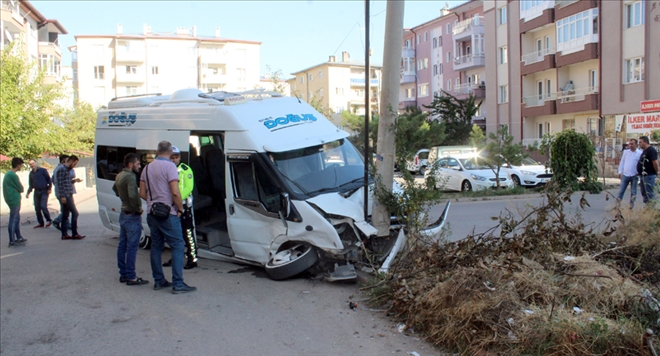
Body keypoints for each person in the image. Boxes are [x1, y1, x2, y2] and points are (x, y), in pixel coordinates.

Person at [139, 141, 196, 294]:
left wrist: (153, 202)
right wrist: (179, 208)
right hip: (168, 213)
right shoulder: (170, 167)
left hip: (152, 212)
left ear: (157, 152)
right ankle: (178, 283)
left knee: (156, 246)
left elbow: (142, 193)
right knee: (177, 245)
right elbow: (176, 192)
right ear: (171, 152)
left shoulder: (147, 167)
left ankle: (159, 281)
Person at [113, 153, 149, 286]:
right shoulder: (130, 176)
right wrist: (138, 208)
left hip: (123, 213)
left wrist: (123, 198)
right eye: (138, 164)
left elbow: (115, 189)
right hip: (132, 215)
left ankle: (123, 274)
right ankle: (132, 276)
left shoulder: (120, 175)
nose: (139, 166)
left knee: (122, 245)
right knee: (132, 247)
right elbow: (134, 195)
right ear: (130, 164)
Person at [163, 146, 198, 269]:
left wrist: (176, 199)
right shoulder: (166, 169)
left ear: (180, 157)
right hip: (170, 205)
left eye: (176, 157)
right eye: (172, 157)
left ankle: (192, 258)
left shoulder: (185, 169)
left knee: (187, 232)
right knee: (173, 234)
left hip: (183, 205)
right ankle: (176, 257)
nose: (174, 160)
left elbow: (189, 188)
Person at [55, 155, 85, 240]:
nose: (74, 166)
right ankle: (74, 233)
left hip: (68, 193)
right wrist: (62, 196)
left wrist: (75, 180)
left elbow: (66, 182)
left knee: (65, 214)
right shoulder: (62, 170)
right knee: (75, 213)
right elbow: (60, 184)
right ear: (71, 161)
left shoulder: (67, 170)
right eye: (74, 164)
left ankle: (64, 234)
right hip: (66, 195)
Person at [3, 158, 27, 247]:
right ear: (18, 165)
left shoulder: (8, 174)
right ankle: (12, 240)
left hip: (11, 199)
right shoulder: (12, 175)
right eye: (21, 165)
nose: (21, 167)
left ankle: (19, 237)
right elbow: (20, 188)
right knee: (13, 219)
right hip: (14, 199)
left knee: (16, 218)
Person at [26, 159, 53, 228]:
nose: (32, 165)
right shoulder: (31, 173)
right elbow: (31, 184)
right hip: (36, 191)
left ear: (35, 163)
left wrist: (49, 188)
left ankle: (49, 220)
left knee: (43, 206)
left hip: (44, 191)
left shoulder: (42, 170)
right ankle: (41, 222)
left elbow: (49, 179)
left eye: (33, 163)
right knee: (37, 208)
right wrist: (28, 193)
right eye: (30, 164)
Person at [616, 139, 643, 208]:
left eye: (632, 144)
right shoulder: (626, 152)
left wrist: (639, 172)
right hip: (626, 174)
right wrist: (620, 171)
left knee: (633, 192)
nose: (630, 145)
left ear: (636, 145)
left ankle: (631, 206)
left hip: (634, 175)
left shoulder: (640, 153)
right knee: (621, 191)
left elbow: (641, 164)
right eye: (629, 144)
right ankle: (617, 205)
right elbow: (622, 162)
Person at [637, 136, 659, 205]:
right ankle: (647, 208)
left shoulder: (651, 150)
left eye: (640, 142)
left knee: (649, 193)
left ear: (645, 142)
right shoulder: (644, 151)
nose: (639, 144)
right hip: (643, 175)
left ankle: (651, 209)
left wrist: (656, 173)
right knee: (644, 193)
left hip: (649, 175)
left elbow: (655, 163)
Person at [52, 154, 70, 231]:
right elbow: (60, 182)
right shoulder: (61, 169)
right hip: (62, 193)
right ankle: (57, 220)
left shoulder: (57, 168)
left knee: (65, 209)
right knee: (67, 209)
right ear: (63, 161)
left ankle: (66, 224)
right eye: (67, 161)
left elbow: (53, 180)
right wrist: (62, 195)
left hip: (59, 191)